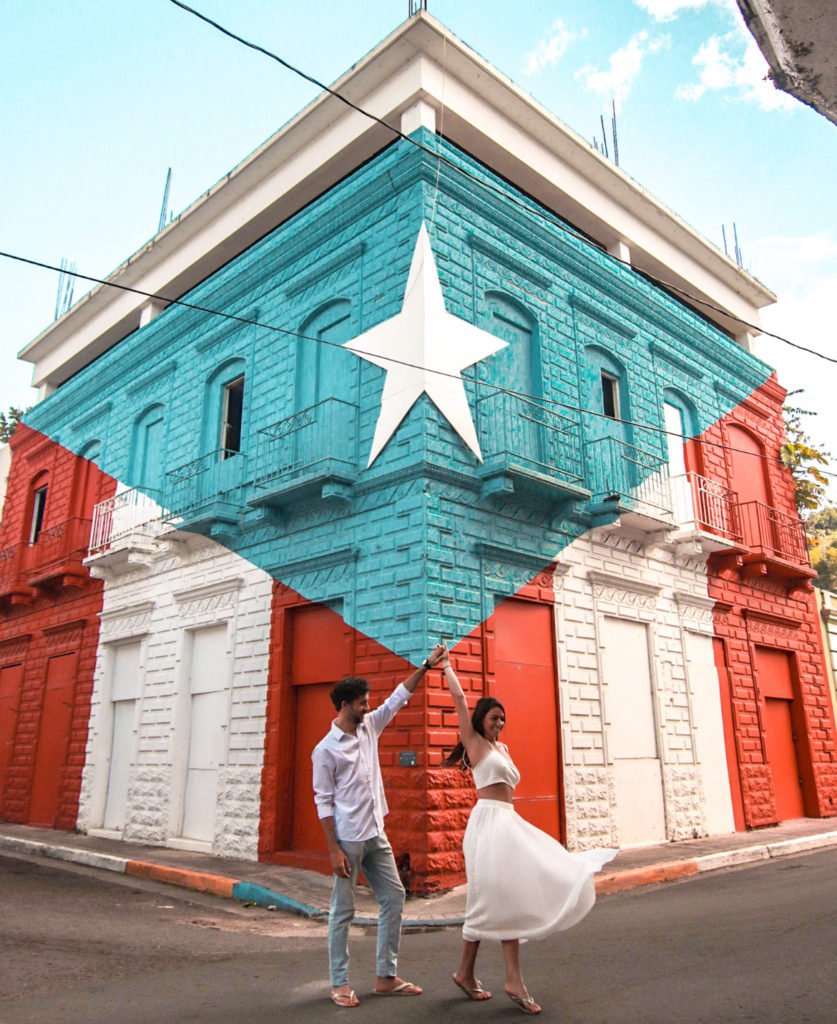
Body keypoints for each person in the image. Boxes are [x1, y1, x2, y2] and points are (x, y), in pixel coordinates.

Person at [439, 648, 616, 1015]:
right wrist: (445, 665)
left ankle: (465, 973)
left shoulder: (502, 747)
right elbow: (457, 698)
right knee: (499, 897)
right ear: (480, 720)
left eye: (502, 718)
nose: (499, 723)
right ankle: (510, 979)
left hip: (507, 822)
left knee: (497, 897)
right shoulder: (474, 744)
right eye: (493, 718)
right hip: (488, 825)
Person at [312, 645, 447, 1008]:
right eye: (360, 703)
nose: (367, 706)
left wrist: (425, 667)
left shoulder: (370, 726)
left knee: (394, 897)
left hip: (375, 832)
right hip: (348, 839)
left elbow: (399, 698)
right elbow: (323, 802)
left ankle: (386, 976)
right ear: (344, 705)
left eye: (367, 701)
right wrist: (333, 849)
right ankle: (339, 983)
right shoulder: (325, 750)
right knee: (343, 911)